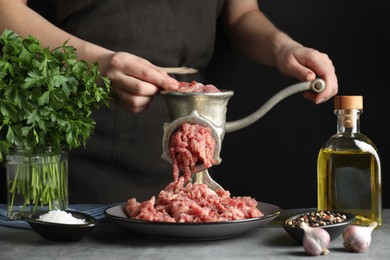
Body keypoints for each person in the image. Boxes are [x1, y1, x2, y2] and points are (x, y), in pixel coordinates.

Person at [0, 0, 338, 204]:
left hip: (187, 136)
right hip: (77, 130)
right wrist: (96, 64)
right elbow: (6, 10)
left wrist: (283, 48)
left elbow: (242, 13)